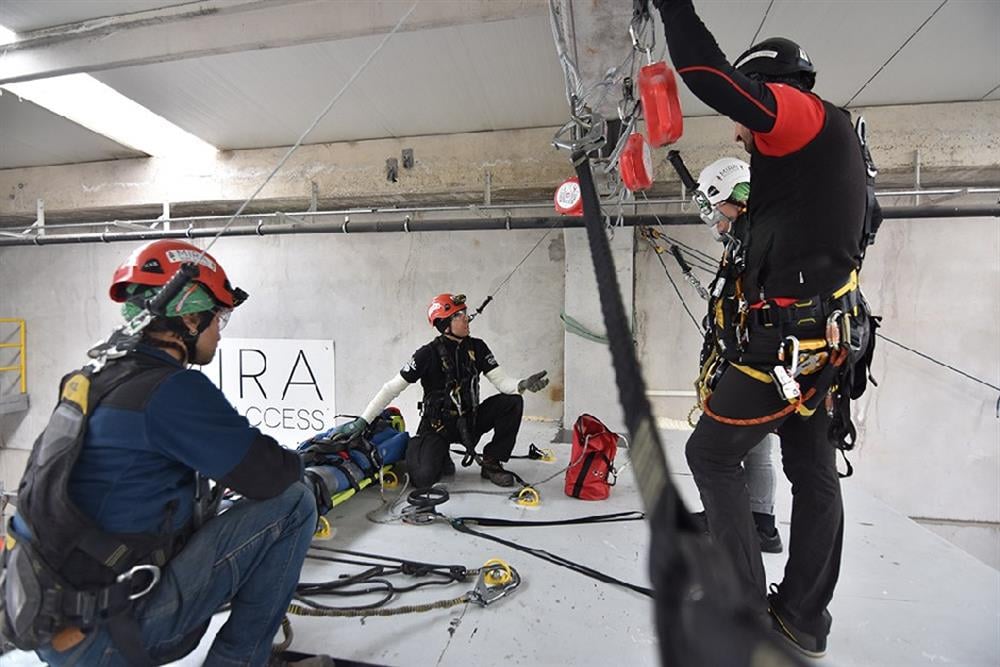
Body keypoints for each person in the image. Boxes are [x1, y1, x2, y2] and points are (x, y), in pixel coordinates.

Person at [654, 0, 875, 657]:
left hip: (792, 340)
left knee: (710, 453)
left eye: (741, 118)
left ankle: (743, 608)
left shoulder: (800, 115)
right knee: (810, 466)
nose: (736, 131)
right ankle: (803, 616)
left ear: (771, 87)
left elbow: (704, 72)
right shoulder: (843, 145)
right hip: (827, 336)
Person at [4, 240, 330, 666]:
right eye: (218, 318)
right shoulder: (171, 390)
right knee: (295, 502)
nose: (218, 331)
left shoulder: (91, 378)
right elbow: (275, 474)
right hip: (111, 637)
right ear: (190, 317)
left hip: (63, 626)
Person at [337, 293, 549, 489]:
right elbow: (391, 388)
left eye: (465, 313)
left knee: (512, 402)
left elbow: (502, 382)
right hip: (438, 426)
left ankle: (492, 462)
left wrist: (522, 384)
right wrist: (363, 421)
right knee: (422, 478)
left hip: (471, 420)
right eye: (459, 315)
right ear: (444, 324)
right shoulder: (426, 355)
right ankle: (436, 454)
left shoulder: (478, 348)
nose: (466, 319)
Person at [688, 157, 782, 555]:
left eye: (716, 211)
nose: (715, 223)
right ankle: (754, 520)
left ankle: (752, 523)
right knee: (752, 449)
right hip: (741, 361)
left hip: (755, 366)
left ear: (733, 200)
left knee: (714, 451)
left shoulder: (760, 243)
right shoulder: (745, 245)